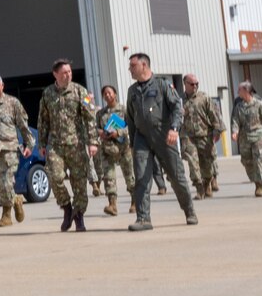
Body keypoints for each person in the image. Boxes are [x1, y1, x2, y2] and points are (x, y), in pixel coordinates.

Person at [124, 52, 198, 230]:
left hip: (164, 136)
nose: (130, 69)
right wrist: (133, 144)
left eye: (132, 66)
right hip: (142, 138)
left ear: (144, 65)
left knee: (176, 176)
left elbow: (177, 108)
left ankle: (189, 211)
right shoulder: (132, 91)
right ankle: (143, 219)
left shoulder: (162, 85)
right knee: (141, 177)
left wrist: (174, 129)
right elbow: (131, 118)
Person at [38, 59, 100, 232]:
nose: (68, 75)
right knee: (54, 177)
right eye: (64, 72)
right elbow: (43, 120)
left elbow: (90, 117)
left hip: (76, 144)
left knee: (79, 182)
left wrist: (93, 142)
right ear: (55, 74)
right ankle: (66, 208)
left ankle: (79, 216)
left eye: (70, 72)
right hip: (55, 145)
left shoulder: (81, 91)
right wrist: (41, 143)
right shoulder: (47, 93)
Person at [0, 74, 35, 227]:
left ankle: (6, 215)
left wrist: (29, 145)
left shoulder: (12, 103)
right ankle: (16, 199)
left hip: (9, 149)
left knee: (6, 183)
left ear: (3, 86)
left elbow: (23, 125)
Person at [231, 82, 262, 196]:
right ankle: (256, 179)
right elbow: (235, 120)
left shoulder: (259, 105)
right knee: (247, 162)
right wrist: (235, 132)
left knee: (259, 160)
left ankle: (259, 186)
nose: (238, 92)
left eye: (240, 90)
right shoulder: (239, 106)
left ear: (247, 91)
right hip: (245, 138)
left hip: (259, 136)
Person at [179, 74, 224, 199]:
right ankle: (199, 188)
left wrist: (217, 130)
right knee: (193, 163)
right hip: (188, 136)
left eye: (196, 84)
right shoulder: (180, 100)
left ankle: (207, 182)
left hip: (205, 135)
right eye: (192, 84)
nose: (195, 86)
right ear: (185, 84)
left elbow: (214, 115)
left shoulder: (204, 98)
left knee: (207, 164)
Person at [95, 84, 134, 217]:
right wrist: (100, 132)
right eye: (105, 94)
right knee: (109, 176)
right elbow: (95, 128)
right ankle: (112, 205)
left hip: (123, 148)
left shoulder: (123, 110)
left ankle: (135, 202)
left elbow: (131, 126)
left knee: (129, 175)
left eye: (109, 93)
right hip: (107, 149)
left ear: (115, 94)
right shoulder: (100, 113)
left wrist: (118, 132)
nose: (107, 95)